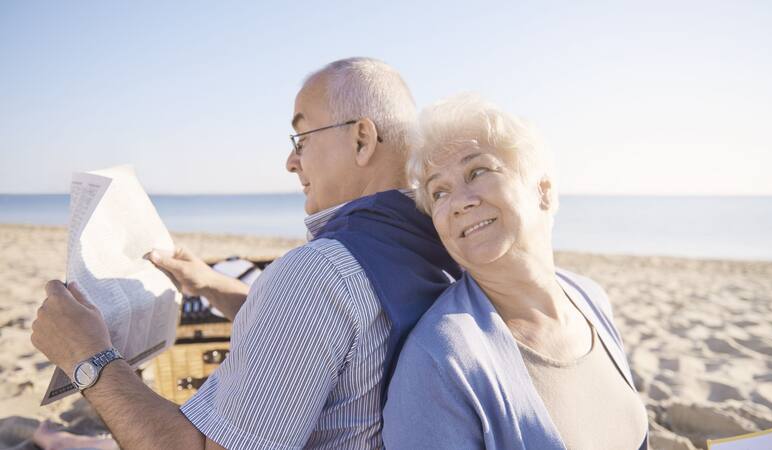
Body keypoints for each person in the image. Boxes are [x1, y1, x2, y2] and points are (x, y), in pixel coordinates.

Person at [30, 57, 459, 450]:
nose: (290, 162)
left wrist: (88, 357)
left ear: (363, 138)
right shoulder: (438, 247)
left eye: (301, 138)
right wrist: (217, 287)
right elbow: (336, 344)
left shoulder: (320, 274)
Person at [382, 94, 649, 449]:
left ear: (543, 191)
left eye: (476, 171)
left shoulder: (590, 299)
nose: (460, 201)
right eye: (439, 192)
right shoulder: (440, 360)